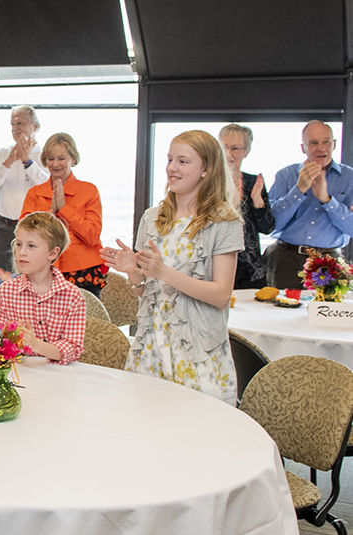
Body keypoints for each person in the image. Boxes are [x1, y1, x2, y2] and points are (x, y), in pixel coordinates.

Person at [101, 130, 242, 405]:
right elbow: (148, 293)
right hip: (152, 344)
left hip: (199, 350)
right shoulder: (152, 219)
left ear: (206, 169)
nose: (172, 168)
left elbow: (221, 295)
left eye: (183, 161)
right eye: (169, 160)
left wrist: (164, 272)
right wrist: (133, 273)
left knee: (199, 432)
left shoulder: (224, 221)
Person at [266, 120, 353, 288]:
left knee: (325, 312)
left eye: (326, 141)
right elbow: (272, 225)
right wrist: (298, 190)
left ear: (334, 144)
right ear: (303, 148)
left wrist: (327, 200)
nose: (321, 148)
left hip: (330, 262)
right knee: (278, 311)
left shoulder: (350, 178)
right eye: (313, 143)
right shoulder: (286, 175)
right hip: (286, 258)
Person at [0, 212, 85, 365]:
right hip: (19, 372)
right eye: (19, 244)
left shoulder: (73, 296)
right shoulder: (5, 292)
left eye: (31, 246)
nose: (22, 252)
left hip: (59, 375)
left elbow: (72, 350)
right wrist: (11, 337)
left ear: (52, 253)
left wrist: (36, 345)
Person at [19, 132, 105, 297]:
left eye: (61, 158)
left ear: (73, 159)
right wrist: (51, 213)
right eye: (50, 159)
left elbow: (92, 235)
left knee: (84, 323)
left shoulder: (89, 190)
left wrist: (64, 209)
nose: (55, 164)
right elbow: (24, 236)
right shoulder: (34, 193)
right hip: (41, 271)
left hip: (82, 272)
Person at [0, 105, 50, 291]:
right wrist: (8, 162)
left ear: (35, 127)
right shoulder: (1, 153)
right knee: (1, 282)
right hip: (4, 228)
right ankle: (0, 319)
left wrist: (28, 162)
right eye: (12, 124)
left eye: (21, 123)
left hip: (36, 230)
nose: (15, 127)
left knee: (33, 284)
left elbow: (49, 187)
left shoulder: (46, 155)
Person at [219, 124, 275, 289]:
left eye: (235, 148)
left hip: (250, 270)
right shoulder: (205, 182)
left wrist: (258, 201)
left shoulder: (254, 183)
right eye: (224, 147)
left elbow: (267, 228)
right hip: (214, 267)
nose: (228, 154)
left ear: (246, 151)